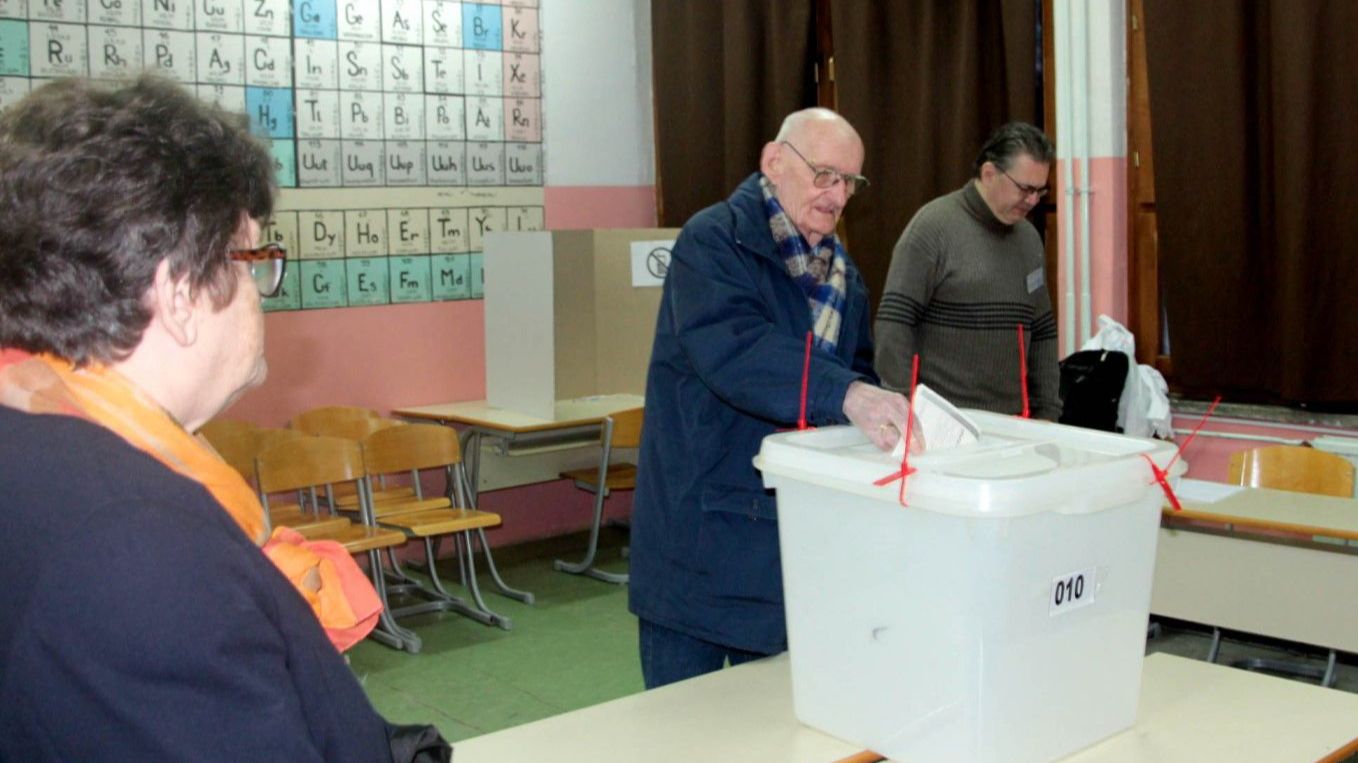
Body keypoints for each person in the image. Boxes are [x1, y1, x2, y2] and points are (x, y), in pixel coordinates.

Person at [0, 76, 447, 761]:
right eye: (253, 259)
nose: (261, 292)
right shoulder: (140, 543)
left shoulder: (35, 432)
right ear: (180, 293)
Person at [629, 108, 912, 689]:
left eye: (849, 182)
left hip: (789, 545)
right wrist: (847, 393)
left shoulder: (843, 277)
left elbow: (855, 372)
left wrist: (880, 413)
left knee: (777, 723)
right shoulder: (711, 242)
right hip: (699, 541)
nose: (837, 195)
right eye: (824, 174)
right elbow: (738, 351)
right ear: (774, 161)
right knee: (683, 728)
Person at [874, 121, 1062, 420]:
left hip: (1014, 422)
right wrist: (904, 408)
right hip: (942, 421)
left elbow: (1042, 331)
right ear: (989, 173)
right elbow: (895, 323)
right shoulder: (933, 227)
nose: (1033, 201)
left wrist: (1048, 411)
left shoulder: (1029, 239)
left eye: (1040, 191)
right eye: (1025, 189)